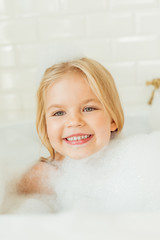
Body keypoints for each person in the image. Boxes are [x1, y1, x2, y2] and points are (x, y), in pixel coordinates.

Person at [17, 57, 124, 195]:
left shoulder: (130, 164)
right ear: (45, 125)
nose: (74, 121)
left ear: (113, 120)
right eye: (59, 112)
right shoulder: (41, 178)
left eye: (89, 108)